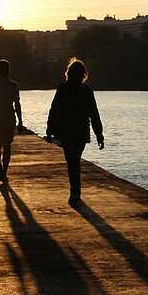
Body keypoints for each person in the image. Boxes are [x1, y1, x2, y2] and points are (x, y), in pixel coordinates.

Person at [45, 57, 104, 206]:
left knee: (71, 161)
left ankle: (75, 192)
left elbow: (54, 109)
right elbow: (94, 114)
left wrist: (49, 129)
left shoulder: (62, 88)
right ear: (83, 74)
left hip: (65, 131)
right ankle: (75, 192)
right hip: (81, 132)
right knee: (75, 160)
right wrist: (99, 134)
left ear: (69, 73)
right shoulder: (87, 91)